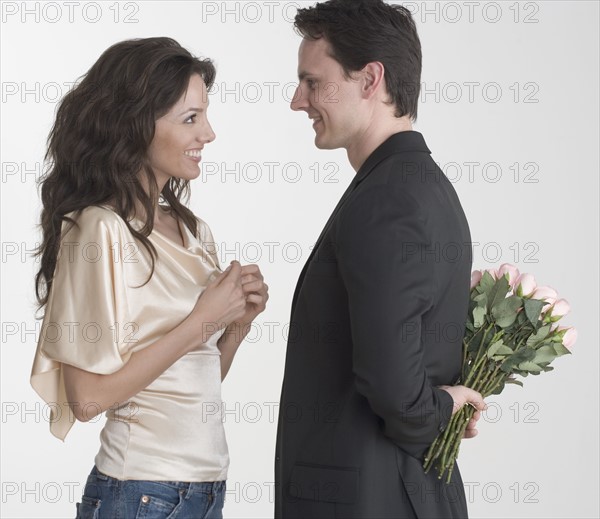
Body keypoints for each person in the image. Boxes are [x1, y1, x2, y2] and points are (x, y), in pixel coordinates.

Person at [30, 37, 268, 519]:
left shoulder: (195, 231)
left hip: (204, 493)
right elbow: (88, 399)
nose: (209, 134)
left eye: (204, 115)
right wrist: (202, 321)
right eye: (190, 118)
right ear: (135, 126)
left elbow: (188, 384)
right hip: (139, 494)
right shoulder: (97, 229)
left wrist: (236, 326)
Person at [275, 1, 485, 517]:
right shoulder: (413, 186)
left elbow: (395, 384)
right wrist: (445, 407)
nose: (297, 101)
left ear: (370, 79)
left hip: (371, 498)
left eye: (312, 81)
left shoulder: (389, 198)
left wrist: (440, 412)